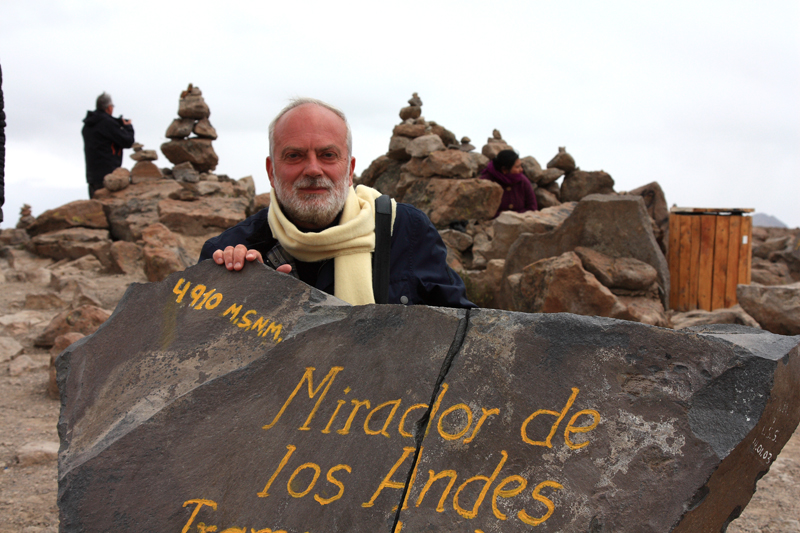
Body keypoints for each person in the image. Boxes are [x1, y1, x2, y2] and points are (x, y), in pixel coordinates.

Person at [199, 98, 474, 308]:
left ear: (350, 168)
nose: (313, 169)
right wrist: (242, 298)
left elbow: (461, 337)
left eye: (328, 155)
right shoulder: (229, 255)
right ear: (271, 171)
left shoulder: (406, 230)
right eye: (294, 156)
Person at [82, 92, 135, 198]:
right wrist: (128, 127)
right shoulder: (107, 123)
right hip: (109, 175)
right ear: (109, 108)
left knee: (96, 209)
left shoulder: (88, 125)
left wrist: (118, 123)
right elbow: (128, 141)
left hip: (92, 176)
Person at [480, 149, 538, 217]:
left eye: (521, 166)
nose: (521, 170)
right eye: (517, 167)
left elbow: (532, 207)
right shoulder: (486, 182)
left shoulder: (523, 181)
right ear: (504, 170)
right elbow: (483, 211)